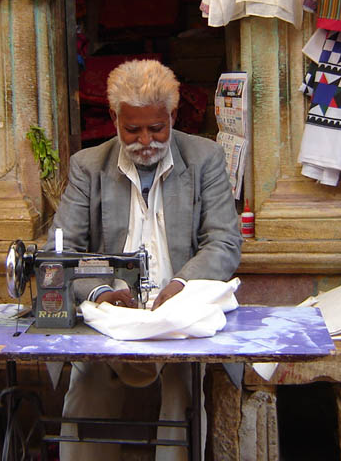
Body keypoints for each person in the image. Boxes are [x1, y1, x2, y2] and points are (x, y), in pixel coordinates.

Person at [44, 59, 242, 460]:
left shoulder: (204, 159)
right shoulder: (89, 167)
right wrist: (100, 290)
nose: (146, 141)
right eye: (132, 130)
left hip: (179, 316)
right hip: (110, 318)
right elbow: (61, 253)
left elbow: (224, 242)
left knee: (181, 398)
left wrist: (181, 286)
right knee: (86, 392)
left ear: (173, 116)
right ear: (115, 119)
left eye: (157, 128)